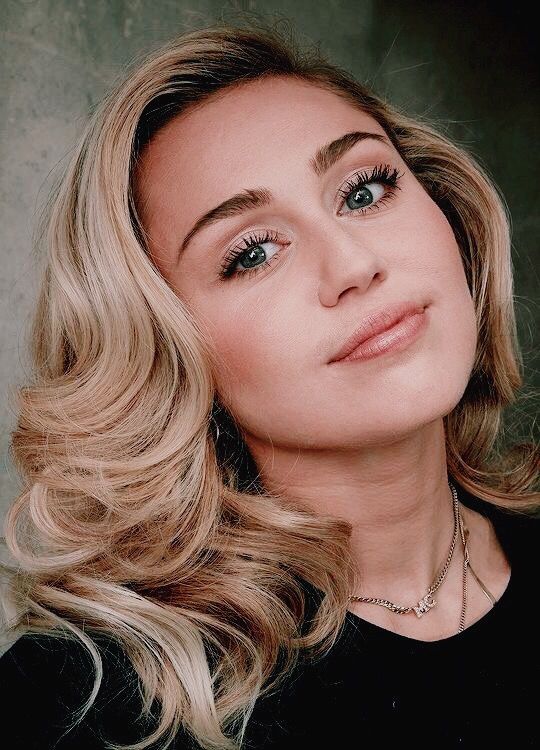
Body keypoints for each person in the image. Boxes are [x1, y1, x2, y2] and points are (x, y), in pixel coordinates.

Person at [0, 19, 538, 750]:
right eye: (252, 252)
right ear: (167, 347)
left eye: (363, 190)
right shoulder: (77, 699)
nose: (353, 264)